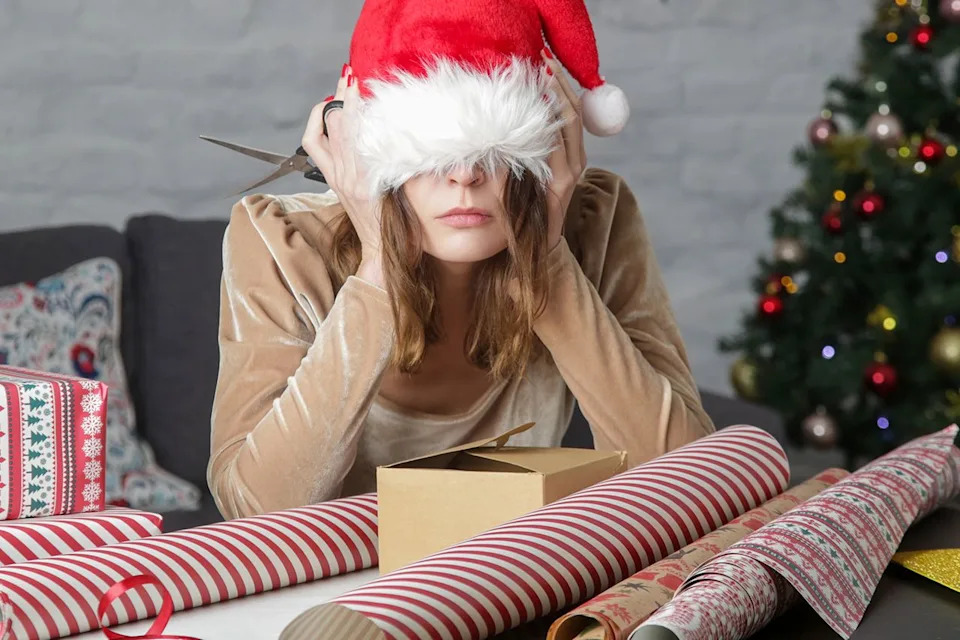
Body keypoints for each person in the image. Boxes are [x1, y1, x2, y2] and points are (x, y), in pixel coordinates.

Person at [208, 0, 715, 520]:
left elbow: (691, 486)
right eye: (428, 146)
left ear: (545, 144)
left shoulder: (595, 222)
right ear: (370, 148)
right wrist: (379, 267)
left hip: (520, 579)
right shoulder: (279, 241)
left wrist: (546, 259)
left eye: (497, 142)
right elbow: (253, 511)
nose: (465, 176)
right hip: (351, 592)